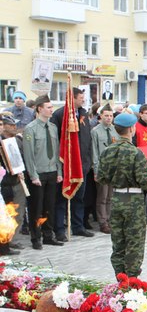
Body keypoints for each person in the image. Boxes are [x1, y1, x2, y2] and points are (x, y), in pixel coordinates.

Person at [96, 113, 147, 278]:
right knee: (134, 241)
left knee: (118, 241)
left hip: (116, 199)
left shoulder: (108, 151)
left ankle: (119, 276)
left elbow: (101, 177)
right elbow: (144, 181)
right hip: (133, 201)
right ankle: (132, 278)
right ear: (131, 129)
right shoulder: (135, 153)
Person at [50, 87, 94, 241]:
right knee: (62, 200)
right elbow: (56, 141)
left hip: (82, 164)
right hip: (66, 165)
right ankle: (60, 230)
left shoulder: (83, 114)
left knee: (79, 198)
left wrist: (88, 161)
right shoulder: (59, 115)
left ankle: (78, 226)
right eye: (81, 97)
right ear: (72, 98)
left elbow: (87, 139)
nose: (83, 100)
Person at [23, 95, 64, 249]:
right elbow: (29, 154)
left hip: (52, 171)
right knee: (36, 207)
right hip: (38, 174)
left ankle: (48, 235)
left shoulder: (52, 127)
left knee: (49, 206)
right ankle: (36, 237)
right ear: (40, 109)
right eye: (48, 107)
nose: (51, 110)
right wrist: (33, 175)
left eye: (51, 107)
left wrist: (59, 171)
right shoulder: (31, 128)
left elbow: (56, 151)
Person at [91, 105, 119, 233]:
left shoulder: (115, 130)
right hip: (102, 167)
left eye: (111, 116)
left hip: (113, 168)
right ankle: (103, 221)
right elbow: (94, 152)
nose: (109, 118)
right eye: (106, 115)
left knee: (111, 196)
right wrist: (96, 170)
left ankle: (110, 218)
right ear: (101, 116)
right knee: (102, 196)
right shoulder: (95, 131)